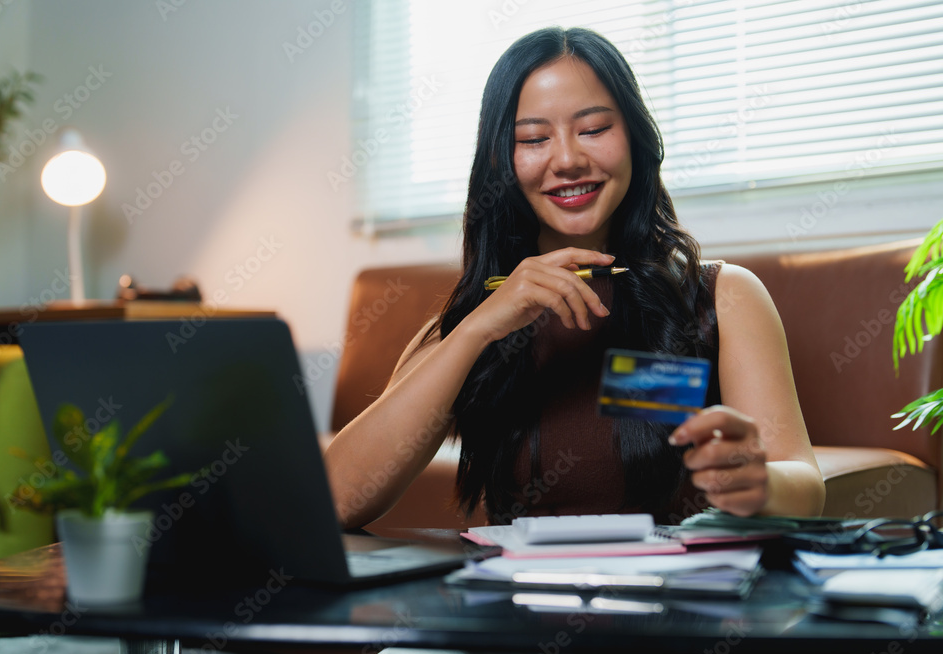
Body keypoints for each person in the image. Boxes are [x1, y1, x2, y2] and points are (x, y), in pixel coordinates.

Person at [325, 26, 825, 536]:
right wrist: (478, 330)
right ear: (502, 161)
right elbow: (338, 501)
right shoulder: (470, 321)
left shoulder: (723, 297)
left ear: (635, 138)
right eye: (534, 139)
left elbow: (805, 482)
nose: (566, 160)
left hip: (676, 600)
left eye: (592, 129)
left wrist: (760, 480)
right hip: (514, 604)